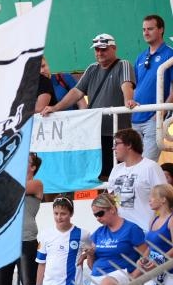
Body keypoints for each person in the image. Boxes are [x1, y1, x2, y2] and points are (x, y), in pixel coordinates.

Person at [42, 33, 136, 179]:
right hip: (95, 134)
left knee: (119, 174)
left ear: (114, 48)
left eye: (103, 49)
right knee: (99, 174)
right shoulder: (92, 68)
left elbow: (126, 85)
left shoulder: (123, 64)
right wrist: (55, 108)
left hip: (118, 134)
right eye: (97, 49)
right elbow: (76, 92)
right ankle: (102, 201)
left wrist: (128, 100)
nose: (99, 53)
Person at [80, 193, 147, 285]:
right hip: (98, 276)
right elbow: (92, 267)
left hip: (122, 274)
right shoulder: (98, 233)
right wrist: (90, 254)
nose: (98, 218)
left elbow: (146, 253)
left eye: (100, 213)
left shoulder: (131, 229)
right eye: (95, 215)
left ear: (112, 209)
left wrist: (135, 275)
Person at [35, 196, 90, 285]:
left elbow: (92, 252)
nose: (59, 217)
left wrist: (87, 255)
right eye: (56, 213)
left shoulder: (83, 234)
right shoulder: (45, 235)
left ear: (71, 214)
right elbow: (41, 264)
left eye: (63, 213)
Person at [0, 152, 43, 285]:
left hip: (25, 240)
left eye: (25, 160)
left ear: (33, 167)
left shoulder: (36, 184)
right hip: (4, 241)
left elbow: (12, 187)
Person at [107, 128, 166, 232]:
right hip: (121, 233)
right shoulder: (116, 169)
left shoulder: (151, 167)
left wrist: (159, 228)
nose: (113, 148)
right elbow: (112, 199)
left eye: (116, 144)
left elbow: (165, 199)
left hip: (145, 231)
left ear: (129, 144)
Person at [132, 15, 173, 161]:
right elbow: (136, 87)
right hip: (136, 117)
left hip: (154, 118)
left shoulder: (170, 53)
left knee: (147, 163)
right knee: (134, 165)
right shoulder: (140, 56)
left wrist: (162, 110)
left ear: (161, 30)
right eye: (144, 29)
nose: (146, 33)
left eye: (150, 29)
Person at [137, 184, 173, 285]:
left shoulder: (171, 220)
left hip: (169, 274)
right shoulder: (154, 219)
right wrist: (143, 258)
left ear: (163, 199)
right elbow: (150, 247)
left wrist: (161, 259)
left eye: (152, 197)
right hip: (154, 274)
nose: (150, 200)